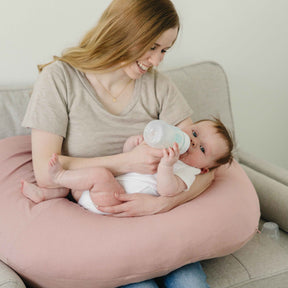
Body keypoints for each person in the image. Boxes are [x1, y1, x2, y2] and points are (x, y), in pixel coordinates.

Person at [21, 0, 214, 287]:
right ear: (123, 30)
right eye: (152, 47)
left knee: (191, 283)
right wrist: (126, 161)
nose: (157, 61)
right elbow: (45, 171)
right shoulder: (60, 79)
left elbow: (201, 167)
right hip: (104, 226)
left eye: (164, 50)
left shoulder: (160, 87)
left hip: (156, 220)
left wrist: (159, 206)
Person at [22, 118, 234, 216]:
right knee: (86, 176)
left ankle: (58, 177)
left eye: (203, 150)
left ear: (204, 169)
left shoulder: (188, 172)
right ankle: (48, 194)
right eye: (195, 134)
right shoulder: (167, 145)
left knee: (99, 174)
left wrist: (167, 166)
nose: (194, 143)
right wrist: (131, 147)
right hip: (97, 190)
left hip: (114, 200)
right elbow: (126, 163)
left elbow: (167, 190)